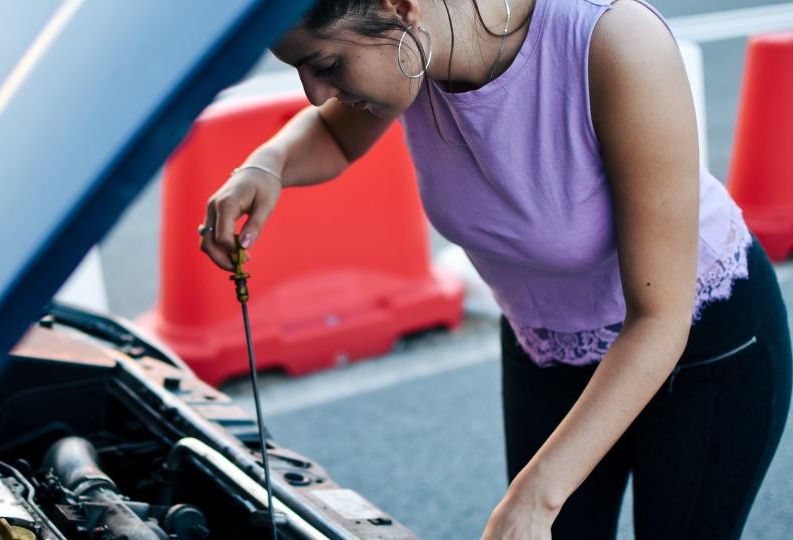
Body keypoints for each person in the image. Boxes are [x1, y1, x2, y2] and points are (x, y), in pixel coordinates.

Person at [197, 0, 792, 538]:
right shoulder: (413, 51)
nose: (315, 94)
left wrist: (535, 498)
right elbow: (333, 136)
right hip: (550, 344)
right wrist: (266, 165)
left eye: (324, 64)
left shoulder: (615, 42)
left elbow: (660, 319)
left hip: (703, 345)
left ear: (398, 8)